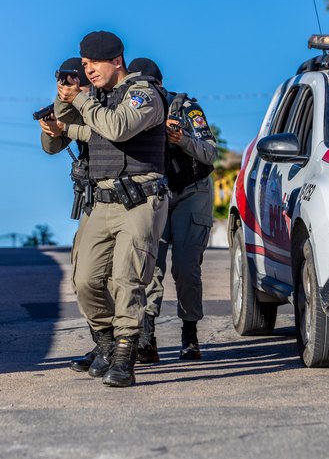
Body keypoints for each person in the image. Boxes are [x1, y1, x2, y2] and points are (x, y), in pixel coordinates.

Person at [57, 31, 169, 387]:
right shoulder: (98, 99)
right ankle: (104, 343)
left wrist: (85, 101)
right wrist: (65, 96)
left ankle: (124, 355)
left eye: (94, 64)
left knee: (126, 278)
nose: (88, 71)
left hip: (140, 199)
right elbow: (67, 128)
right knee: (85, 279)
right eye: (85, 65)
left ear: (116, 61)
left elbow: (118, 128)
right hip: (101, 200)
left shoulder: (142, 93)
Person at [127, 58, 218, 362]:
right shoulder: (130, 111)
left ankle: (189, 334)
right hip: (156, 192)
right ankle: (146, 337)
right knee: (150, 267)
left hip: (192, 190)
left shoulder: (184, 107)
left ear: (160, 86)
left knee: (185, 265)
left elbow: (210, 152)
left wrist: (182, 140)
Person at [38, 58, 105, 373]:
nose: (71, 84)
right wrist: (56, 114)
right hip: (94, 197)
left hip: (127, 197)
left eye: (76, 80)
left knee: (117, 277)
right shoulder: (76, 104)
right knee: (83, 274)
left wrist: (74, 107)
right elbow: (51, 146)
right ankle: (103, 343)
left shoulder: (108, 100)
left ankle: (129, 344)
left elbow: (107, 131)